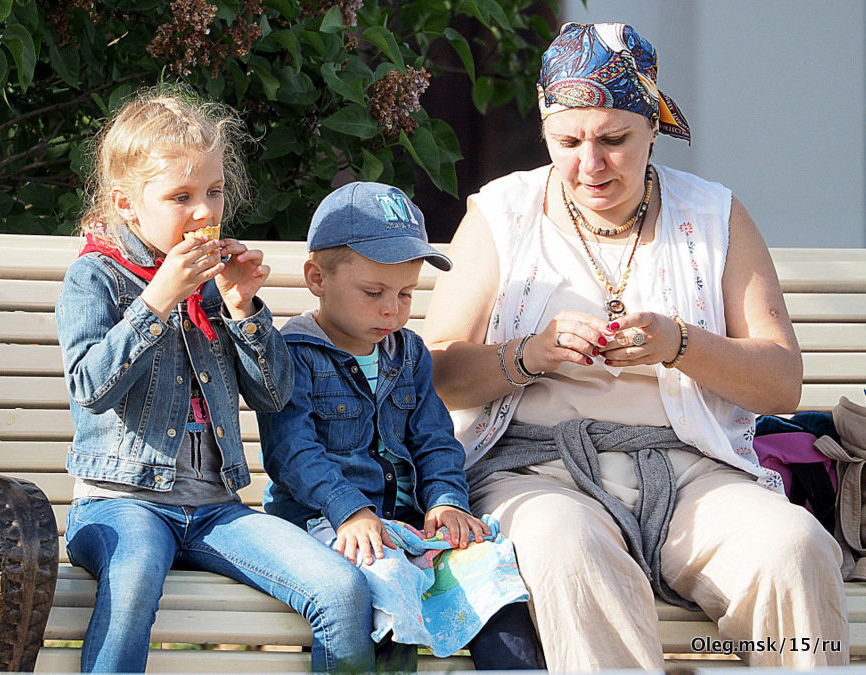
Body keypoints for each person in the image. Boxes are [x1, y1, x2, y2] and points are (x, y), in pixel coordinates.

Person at [422, 22, 849, 671]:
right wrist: (527, 354)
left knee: (794, 548)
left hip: (692, 472)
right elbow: (434, 373)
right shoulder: (502, 213)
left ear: (652, 125)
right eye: (567, 141)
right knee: (568, 549)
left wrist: (680, 343)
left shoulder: (713, 214)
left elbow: (781, 381)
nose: (589, 164)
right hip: (537, 474)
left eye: (613, 140)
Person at [55, 88, 375, 673]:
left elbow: (276, 396)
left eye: (213, 191)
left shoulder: (213, 285)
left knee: (342, 590)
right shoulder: (94, 279)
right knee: (132, 580)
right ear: (127, 204)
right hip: (121, 503)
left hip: (213, 508)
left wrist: (243, 309)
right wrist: (156, 302)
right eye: (181, 196)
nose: (204, 211)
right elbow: (90, 389)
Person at [257, 182, 540, 670]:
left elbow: (434, 439)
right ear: (316, 277)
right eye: (374, 292)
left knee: (490, 572)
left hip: (405, 527)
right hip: (323, 523)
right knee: (384, 578)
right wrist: (351, 511)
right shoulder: (294, 354)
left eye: (406, 293)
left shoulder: (407, 353)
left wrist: (447, 501)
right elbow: (292, 453)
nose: (393, 308)